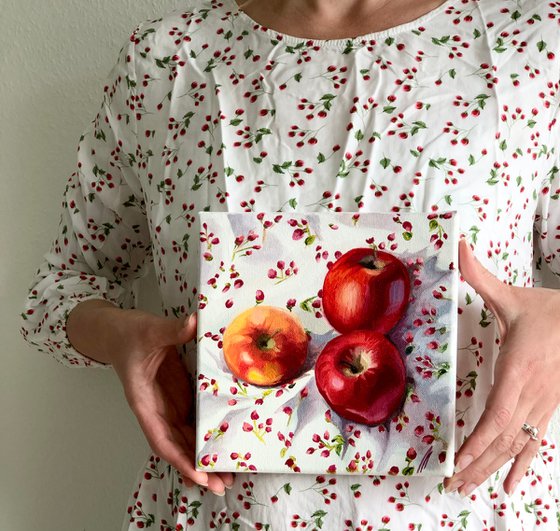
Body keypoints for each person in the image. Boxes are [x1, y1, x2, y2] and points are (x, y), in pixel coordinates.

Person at [20, 0, 560, 528]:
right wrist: (120, 337)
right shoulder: (166, 59)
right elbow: (57, 292)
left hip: (473, 512)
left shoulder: (535, 41)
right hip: (217, 512)